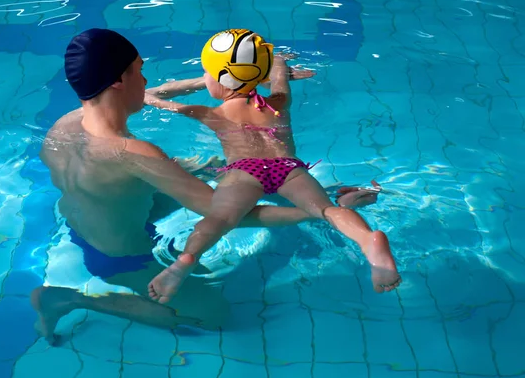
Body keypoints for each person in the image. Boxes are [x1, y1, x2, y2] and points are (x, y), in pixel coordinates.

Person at [31, 28, 320, 345]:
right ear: (116, 81)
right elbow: (223, 214)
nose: (145, 82)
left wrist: (229, 82)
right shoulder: (131, 153)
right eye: (140, 72)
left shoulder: (65, 124)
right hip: (121, 259)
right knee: (216, 316)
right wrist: (315, 212)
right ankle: (71, 300)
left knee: (214, 168)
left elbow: (158, 94)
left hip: (94, 219)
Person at [144, 29, 402, 304]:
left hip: (245, 170)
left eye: (207, 73)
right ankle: (367, 241)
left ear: (220, 77)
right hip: (287, 167)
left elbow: (150, 96)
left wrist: (200, 82)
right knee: (327, 210)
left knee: (220, 219)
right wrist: (272, 65)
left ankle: (187, 258)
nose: (204, 78)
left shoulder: (210, 113)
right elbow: (278, 69)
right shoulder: (279, 100)